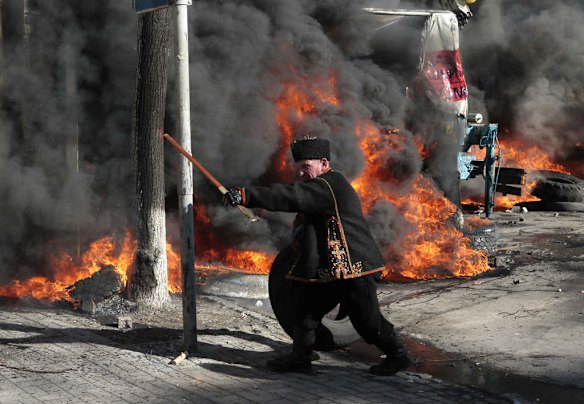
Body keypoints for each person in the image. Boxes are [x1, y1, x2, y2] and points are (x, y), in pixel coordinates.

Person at [224, 137, 410, 376]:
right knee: (305, 312)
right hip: (332, 270)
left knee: (367, 321)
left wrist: (246, 195)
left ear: (323, 163)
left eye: (306, 166)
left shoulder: (329, 185)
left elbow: (290, 197)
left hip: (356, 267)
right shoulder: (319, 185)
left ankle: (398, 355)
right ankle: (300, 358)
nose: (301, 173)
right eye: (298, 167)